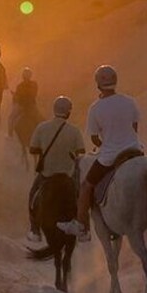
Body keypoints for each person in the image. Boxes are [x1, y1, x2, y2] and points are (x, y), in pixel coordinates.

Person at [58, 65, 143, 242]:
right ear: (115, 81)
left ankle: (81, 227)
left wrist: (107, 144)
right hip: (136, 151)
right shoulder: (130, 101)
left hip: (110, 156)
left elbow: (95, 139)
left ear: (98, 84)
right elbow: (135, 128)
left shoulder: (96, 108)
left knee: (86, 186)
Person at [27, 96, 86, 242]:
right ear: (68, 112)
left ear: (54, 110)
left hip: (47, 174)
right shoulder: (74, 131)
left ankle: (35, 230)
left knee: (32, 196)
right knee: (81, 196)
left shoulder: (42, 127)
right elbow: (81, 152)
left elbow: (33, 149)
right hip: (67, 175)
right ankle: (82, 227)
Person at [7, 67, 38, 138]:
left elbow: (17, 97)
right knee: (38, 119)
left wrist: (14, 94)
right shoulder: (34, 84)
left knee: (11, 118)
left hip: (21, 106)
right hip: (32, 105)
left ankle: (10, 134)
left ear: (23, 76)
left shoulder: (20, 86)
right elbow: (34, 95)